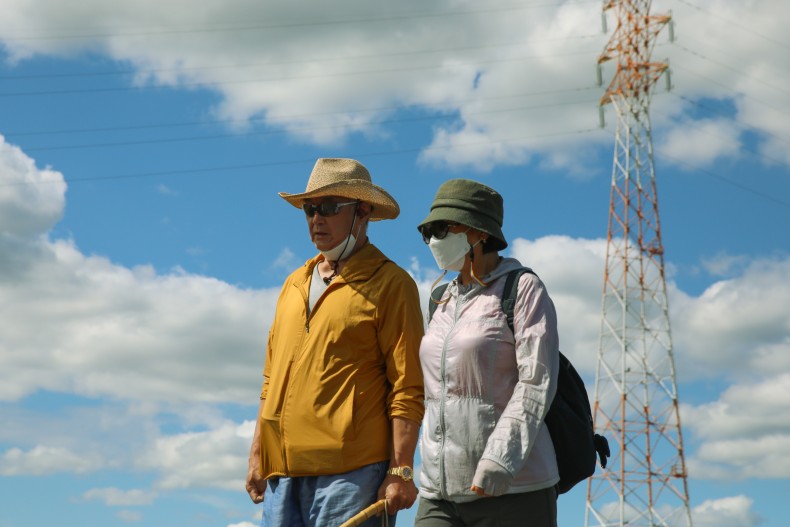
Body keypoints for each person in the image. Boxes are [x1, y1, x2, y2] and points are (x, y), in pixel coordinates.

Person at [245, 158, 425, 526]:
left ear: (363, 212)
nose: (316, 219)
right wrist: (258, 454)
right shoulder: (293, 283)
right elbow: (270, 379)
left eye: (328, 208)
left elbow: (407, 385)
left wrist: (401, 469)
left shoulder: (392, 283)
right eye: (309, 209)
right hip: (282, 475)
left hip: (351, 475)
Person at [414, 179, 560, 527]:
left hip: (514, 491)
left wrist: (501, 459)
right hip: (438, 494)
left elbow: (537, 381)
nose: (435, 239)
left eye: (443, 227)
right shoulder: (440, 301)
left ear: (479, 232)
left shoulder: (522, 287)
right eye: (429, 231)